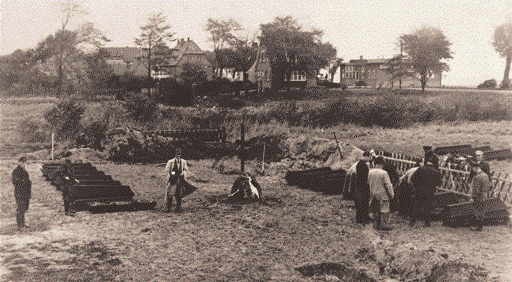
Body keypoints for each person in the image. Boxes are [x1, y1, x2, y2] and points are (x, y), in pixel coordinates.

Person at [409, 159, 442, 227]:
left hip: (420, 190)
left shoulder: (421, 169)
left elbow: (412, 179)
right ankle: (427, 223)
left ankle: (412, 222)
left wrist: (416, 186)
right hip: (430, 191)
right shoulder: (437, 171)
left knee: (416, 206)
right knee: (428, 207)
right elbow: (439, 183)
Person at [368, 156, 394, 231]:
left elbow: (367, 182)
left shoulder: (370, 172)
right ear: (381, 164)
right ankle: (383, 225)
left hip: (373, 193)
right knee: (384, 210)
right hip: (383, 194)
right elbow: (387, 185)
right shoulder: (384, 173)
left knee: (375, 209)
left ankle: (376, 224)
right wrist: (391, 194)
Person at [165, 148, 189, 213]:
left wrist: (183, 173)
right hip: (173, 180)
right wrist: (172, 173)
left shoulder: (183, 162)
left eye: (179, 154)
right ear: (175, 155)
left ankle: (178, 208)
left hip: (180, 180)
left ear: (180, 155)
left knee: (179, 194)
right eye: (177, 154)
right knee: (170, 193)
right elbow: (167, 170)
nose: (178, 156)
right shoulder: (170, 161)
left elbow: (186, 169)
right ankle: (168, 208)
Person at [470, 162, 492, 231]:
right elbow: (490, 187)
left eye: (473, 169)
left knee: (477, 211)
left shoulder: (477, 177)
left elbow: (476, 190)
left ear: (475, 168)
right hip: (484, 196)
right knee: (482, 212)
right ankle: (480, 226)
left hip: (478, 197)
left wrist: (473, 198)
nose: (473, 170)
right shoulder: (485, 175)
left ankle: (477, 227)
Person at [12, 156, 32, 231]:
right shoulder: (16, 171)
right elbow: (15, 182)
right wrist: (25, 182)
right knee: (20, 208)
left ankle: (23, 223)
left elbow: (26, 180)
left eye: (25, 162)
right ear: (19, 162)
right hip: (20, 193)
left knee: (25, 208)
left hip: (26, 193)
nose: (24, 164)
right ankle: (19, 225)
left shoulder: (24, 171)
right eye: (23, 162)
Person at [352, 151, 372, 225]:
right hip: (363, 185)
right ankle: (361, 219)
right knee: (363, 202)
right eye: (369, 157)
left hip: (361, 185)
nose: (369, 159)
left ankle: (362, 217)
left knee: (363, 202)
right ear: (366, 156)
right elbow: (364, 176)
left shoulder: (360, 163)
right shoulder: (362, 164)